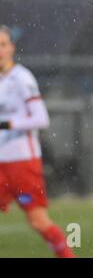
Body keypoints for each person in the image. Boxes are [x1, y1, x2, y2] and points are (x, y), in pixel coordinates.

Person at [0, 25, 74, 258]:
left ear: (12, 47)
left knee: (38, 221)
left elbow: (41, 118)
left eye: (2, 44)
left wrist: (7, 124)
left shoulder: (22, 78)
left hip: (22, 163)